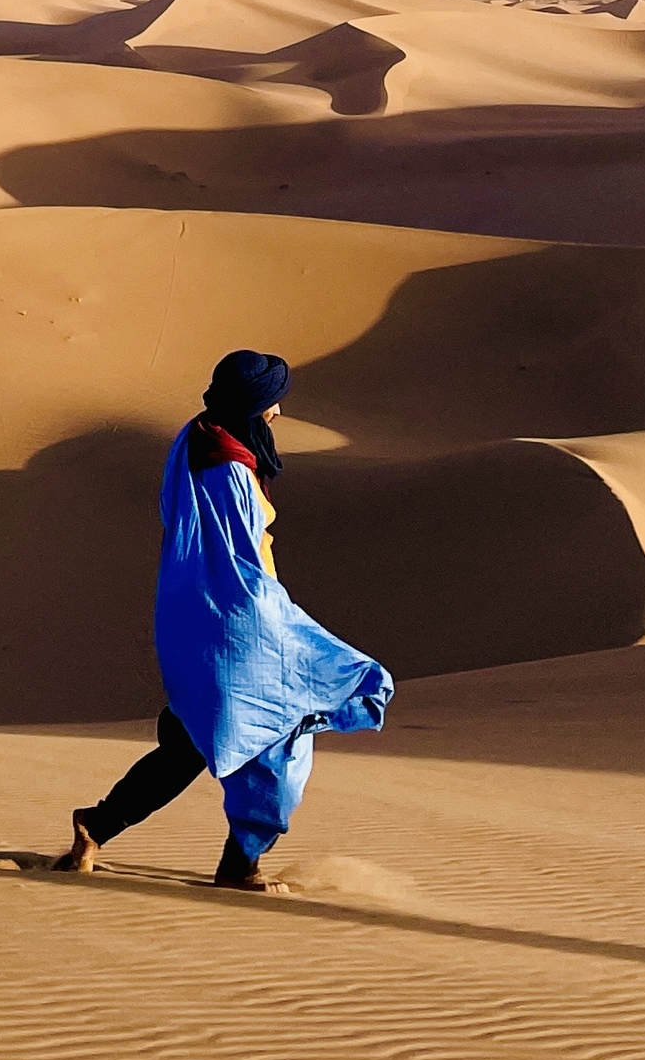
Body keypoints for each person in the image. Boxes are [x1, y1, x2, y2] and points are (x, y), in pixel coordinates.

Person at [54, 349, 394, 891]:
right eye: (272, 403)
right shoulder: (228, 469)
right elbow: (242, 559)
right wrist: (284, 628)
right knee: (282, 737)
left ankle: (96, 826)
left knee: (191, 741)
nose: (278, 414)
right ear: (253, 406)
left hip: (194, 615)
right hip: (240, 622)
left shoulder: (195, 440)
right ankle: (241, 866)